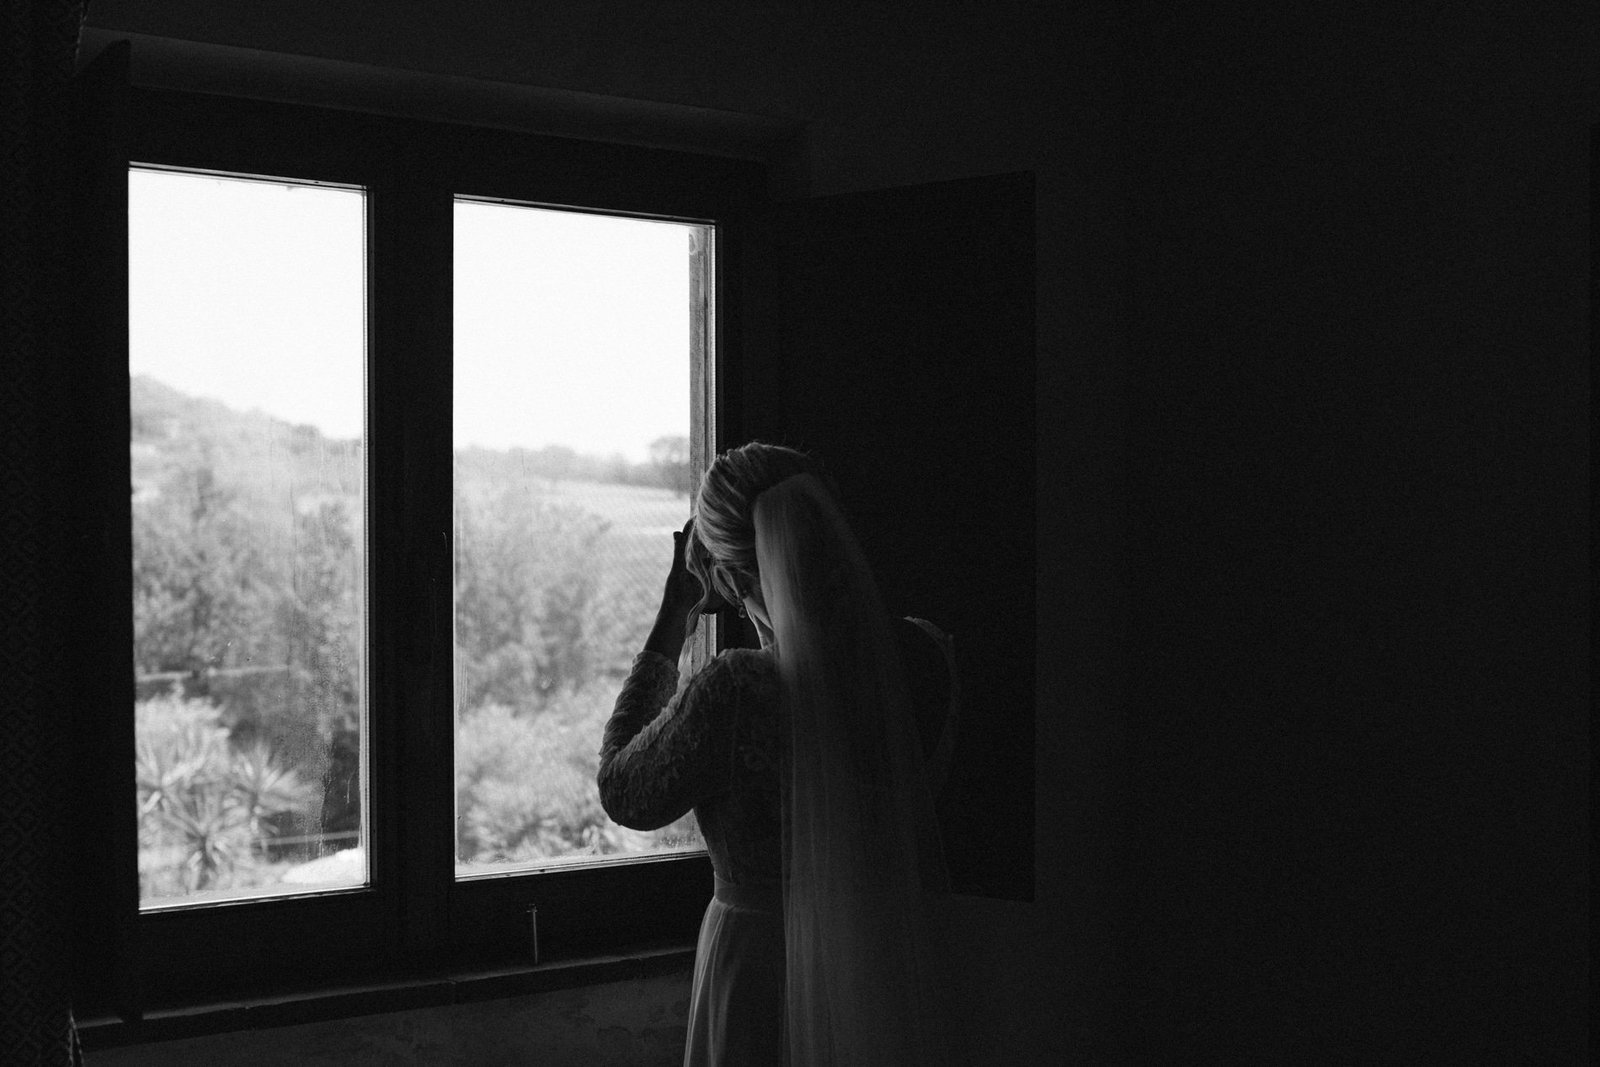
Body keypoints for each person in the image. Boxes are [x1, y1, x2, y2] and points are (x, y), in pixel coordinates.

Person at [597, 442, 965, 1066]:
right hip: (885, 959)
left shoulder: (739, 688)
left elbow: (623, 791)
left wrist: (672, 619)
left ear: (727, 576)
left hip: (760, 967)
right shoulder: (923, 655)